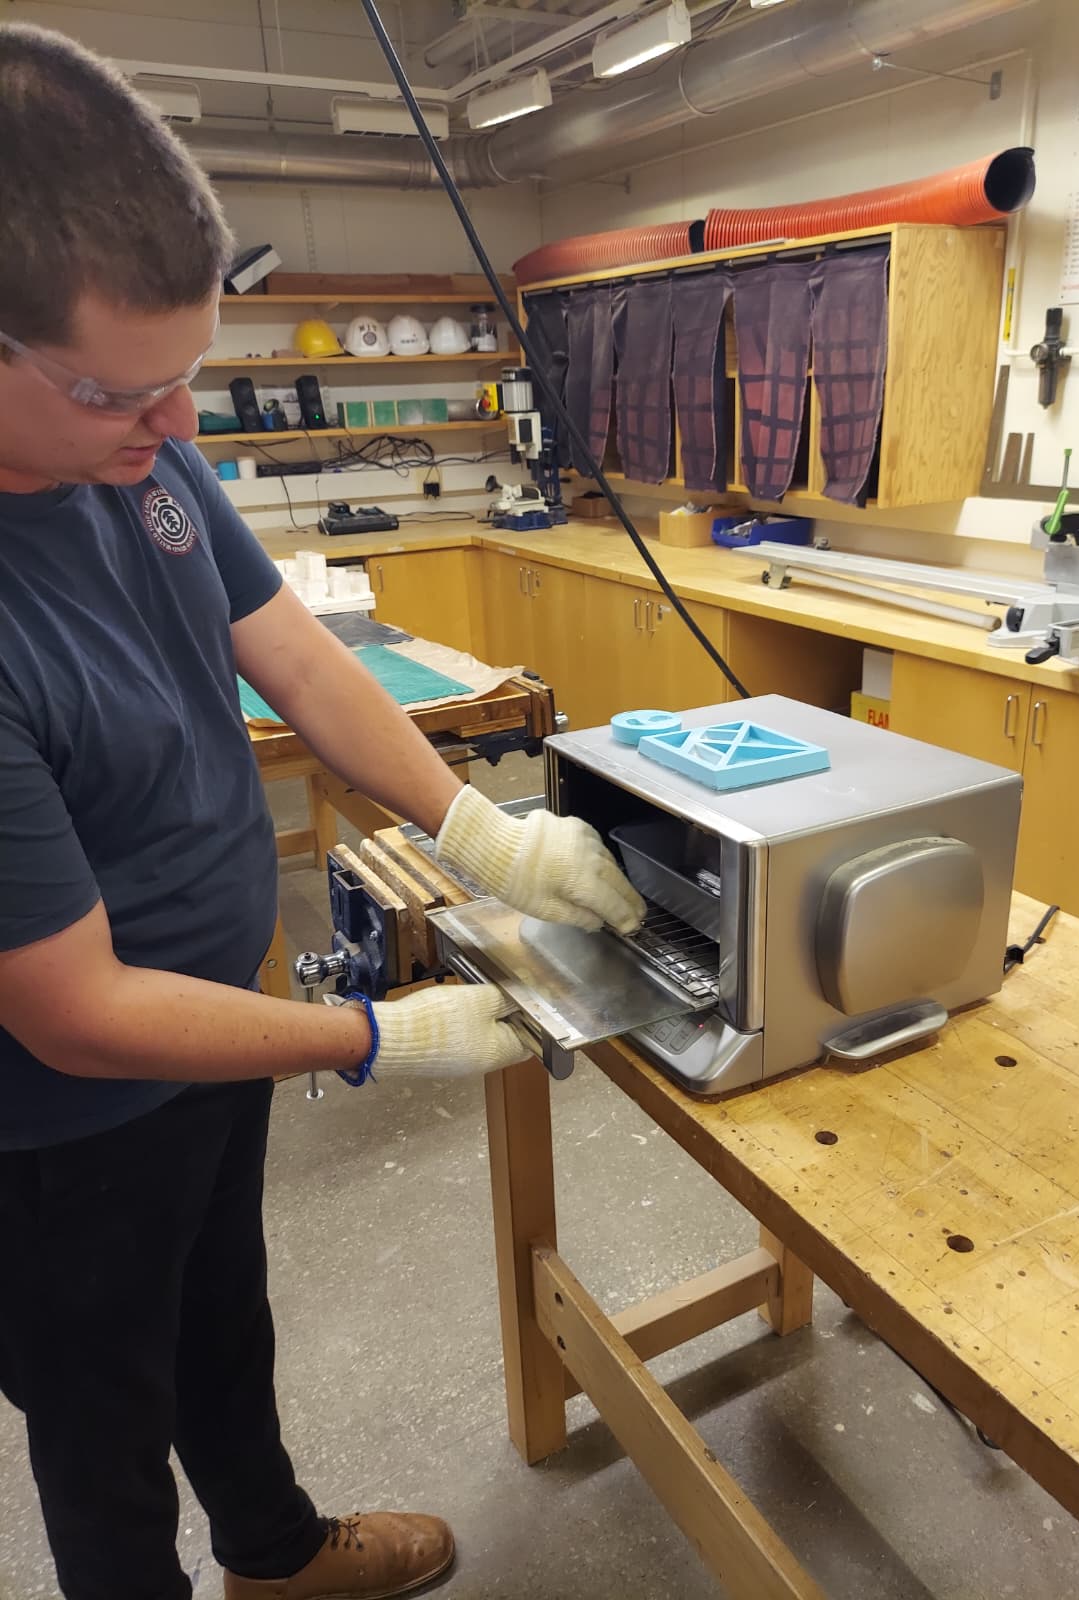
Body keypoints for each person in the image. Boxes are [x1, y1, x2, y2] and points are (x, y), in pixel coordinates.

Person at [0, 24, 644, 1600]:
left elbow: (294, 650)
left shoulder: (139, 449)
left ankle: (277, 1558)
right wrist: (375, 1038)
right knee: (104, 1429)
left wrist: (474, 827)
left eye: (187, 380)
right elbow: (78, 1013)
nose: (177, 432)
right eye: (121, 393)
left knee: (227, 1313)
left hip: (216, 1027)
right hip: (60, 1131)